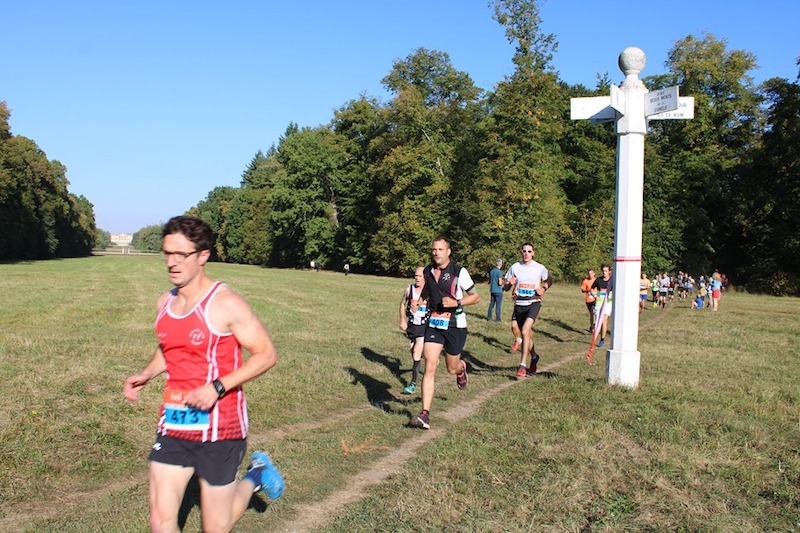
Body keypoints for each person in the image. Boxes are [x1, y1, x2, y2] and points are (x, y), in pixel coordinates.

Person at [123, 216, 283, 533]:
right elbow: (170, 347)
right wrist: (146, 374)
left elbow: (266, 354)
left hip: (221, 426)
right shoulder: (164, 303)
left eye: (181, 255)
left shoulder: (225, 304)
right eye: (168, 253)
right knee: (159, 519)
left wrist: (217, 387)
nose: (171, 262)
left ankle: (256, 476)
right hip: (174, 420)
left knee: (215, 527)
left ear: (203, 256)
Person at [409, 237, 480, 430]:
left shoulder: (459, 272)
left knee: (451, 368)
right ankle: (425, 414)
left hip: (455, 324)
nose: (436, 253)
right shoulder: (427, 272)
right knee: (429, 364)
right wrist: (419, 302)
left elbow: (476, 297)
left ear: (448, 252)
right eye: (434, 249)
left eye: (440, 249)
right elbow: (427, 292)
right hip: (434, 323)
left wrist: (457, 302)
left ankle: (461, 368)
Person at [500, 243, 552, 379]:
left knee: (524, 331)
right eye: (524, 251)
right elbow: (505, 288)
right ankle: (534, 357)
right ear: (521, 252)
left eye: (529, 251)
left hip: (534, 302)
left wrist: (544, 288)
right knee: (527, 334)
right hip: (519, 304)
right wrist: (509, 284)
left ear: (533, 253)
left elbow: (549, 279)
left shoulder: (539, 267)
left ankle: (522, 365)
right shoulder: (515, 267)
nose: (526, 253)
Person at [398, 266, 427, 394]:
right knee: (413, 351)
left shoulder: (429, 291)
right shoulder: (409, 289)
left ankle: (412, 384)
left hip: (424, 325)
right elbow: (402, 304)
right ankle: (429, 358)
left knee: (416, 352)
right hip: (412, 326)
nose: (417, 278)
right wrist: (402, 319)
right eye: (416, 276)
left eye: (420, 276)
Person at [591, 263, 613, 347]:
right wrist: (595, 296)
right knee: (598, 321)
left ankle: (602, 339)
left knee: (604, 320)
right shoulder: (598, 280)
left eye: (606, 271)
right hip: (599, 303)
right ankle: (596, 332)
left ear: (609, 272)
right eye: (603, 271)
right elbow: (592, 289)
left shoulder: (612, 281)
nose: (604, 272)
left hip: (608, 303)